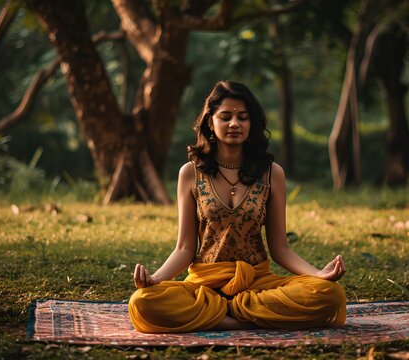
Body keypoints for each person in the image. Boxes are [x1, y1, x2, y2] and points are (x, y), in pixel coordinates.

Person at [129, 80, 346, 333]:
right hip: (205, 285)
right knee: (143, 302)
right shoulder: (191, 173)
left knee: (330, 295)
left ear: (251, 123)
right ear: (211, 122)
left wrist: (318, 274)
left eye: (243, 117)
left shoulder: (271, 173)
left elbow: (280, 248)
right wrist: (156, 279)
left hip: (257, 283)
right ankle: (248, 319)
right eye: (226, 117)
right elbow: (185, 248)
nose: (234, 124)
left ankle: (219, 318)